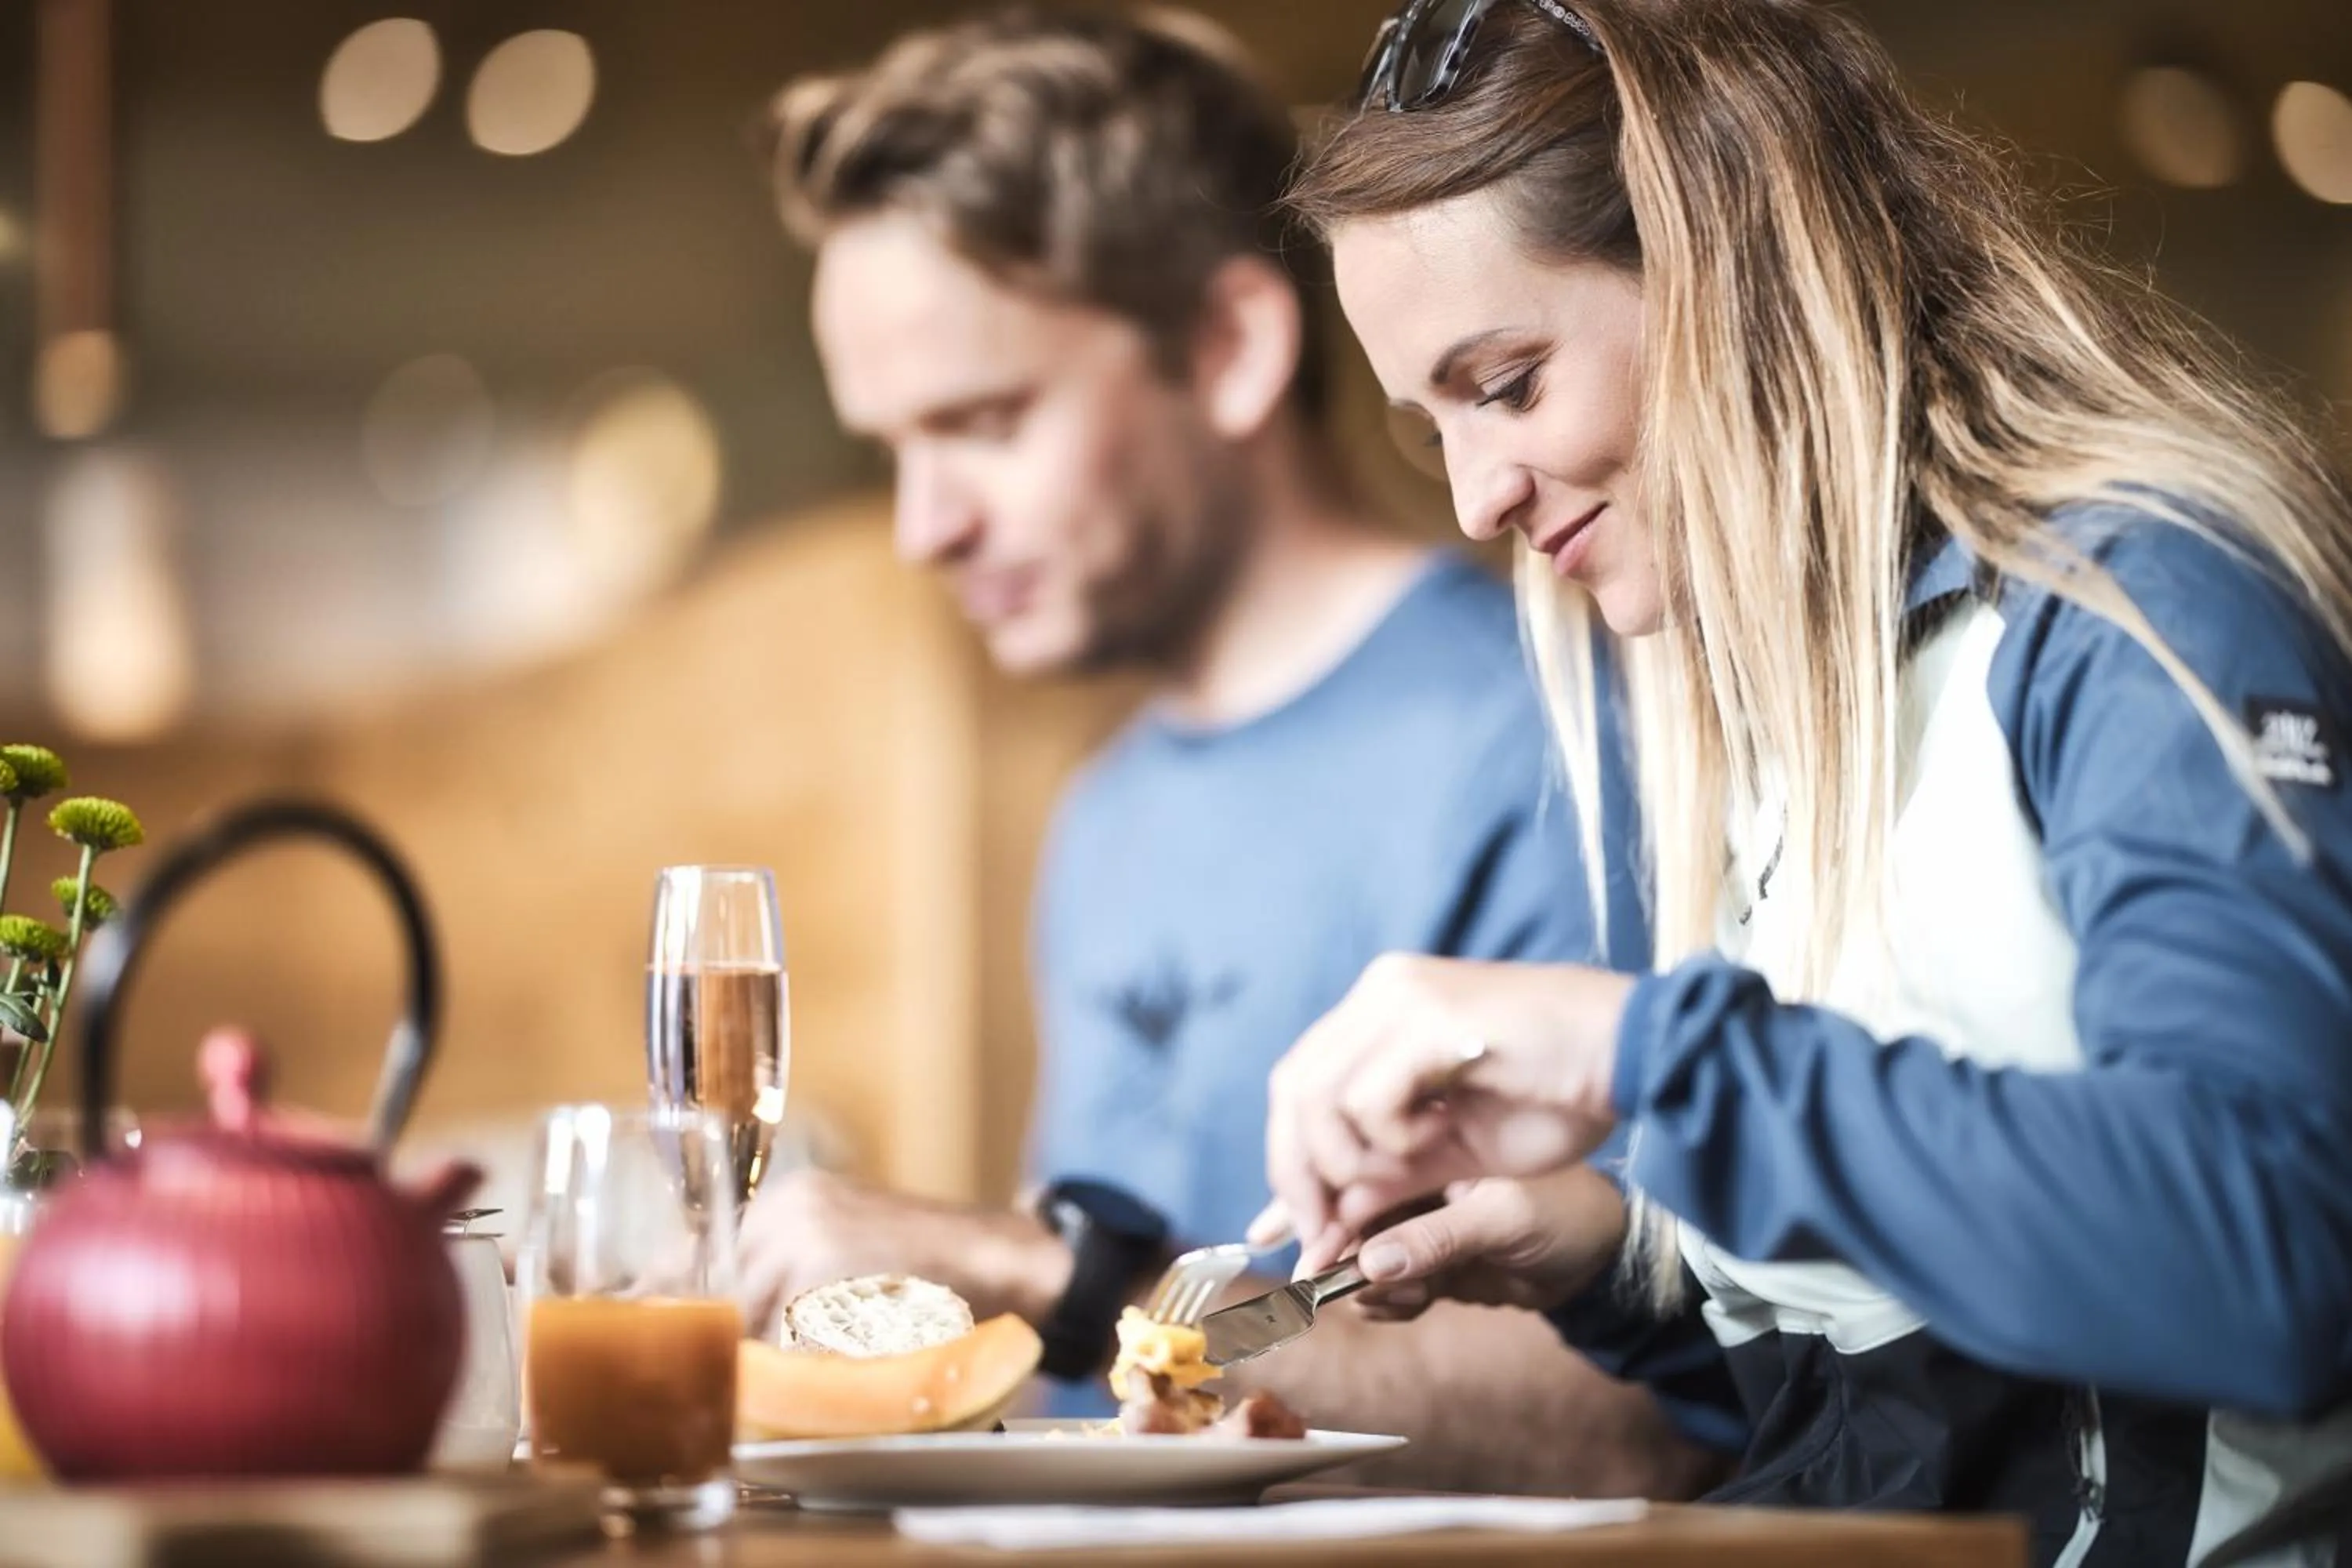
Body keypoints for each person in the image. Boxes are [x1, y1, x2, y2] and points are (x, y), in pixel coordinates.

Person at [1254, 0, 2352, 1561]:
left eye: (1503, 384)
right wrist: (1620, 1260)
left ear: (1733, 265)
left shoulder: (2137, 604)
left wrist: (1652, 1053)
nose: (1481, 495)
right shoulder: (1783, 680)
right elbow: (1904, 1422)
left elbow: (2275, 1265)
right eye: (1433, 427)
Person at [733, 6, 1721, 1497]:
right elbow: (1104, 1386)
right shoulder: (1107, 811)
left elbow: (1649, 1410)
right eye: (894, 451)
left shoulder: (1553, 736)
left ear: (1232, 347)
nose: (923, 525)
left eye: (984, 421)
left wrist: (1041, 1269)